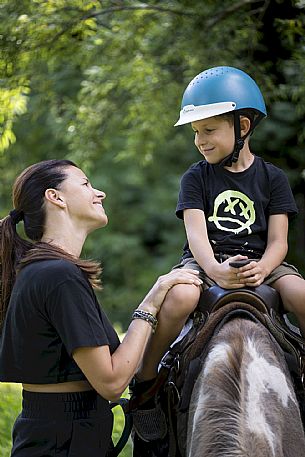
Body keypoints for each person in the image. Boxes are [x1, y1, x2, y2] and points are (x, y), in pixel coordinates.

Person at [0, 159, 202, 457]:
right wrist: (151, 303)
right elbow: (112, 382)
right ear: (55, 197)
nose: (100, 193)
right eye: (85, 184)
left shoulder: (43, 270)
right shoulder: (58, 275)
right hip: (66, 441)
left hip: (63, 433)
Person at [135, 65, 305, 397]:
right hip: (204, 262)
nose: (200, 141)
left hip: (261, 263)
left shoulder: (274, 178)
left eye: (209, 130)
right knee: (181, 296)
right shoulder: (195, 178)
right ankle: (146, 378)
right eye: (196, 132)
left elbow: (278, 241)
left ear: (242, 126)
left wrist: (266, 268)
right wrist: (214, 270)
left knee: (301, 294)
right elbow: (196, 236)